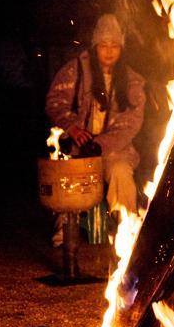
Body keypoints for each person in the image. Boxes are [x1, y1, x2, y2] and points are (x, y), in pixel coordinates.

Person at [45, 14, 146, 236]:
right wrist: (72, 128)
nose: (109, 51)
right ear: (95, 47)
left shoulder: (132, 81)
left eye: (114, 46)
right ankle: (66, 230)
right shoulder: (76, 70)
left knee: (121, 172)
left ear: (121, 49)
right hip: (77, 148)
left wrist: (101, 144)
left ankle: (127, 230)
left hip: (114, 151)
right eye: (103, 45)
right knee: (68, 179)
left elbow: (131, 123)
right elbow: (55, 103)